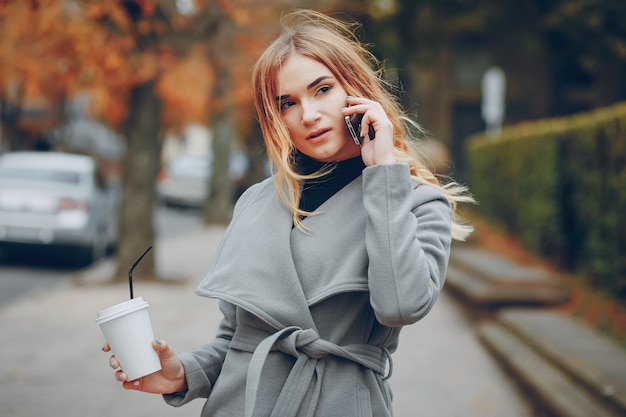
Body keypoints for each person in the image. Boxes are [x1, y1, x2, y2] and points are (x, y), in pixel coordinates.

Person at [104, 9, 473, 417]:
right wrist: (182, 373)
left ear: (356, 88)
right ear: (274, 119)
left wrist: (384, 171)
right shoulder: (258, 202)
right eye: (287, 103)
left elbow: (400, 306)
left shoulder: (416, 202)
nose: (309, 115)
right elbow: (237, 339)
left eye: (322, 90)